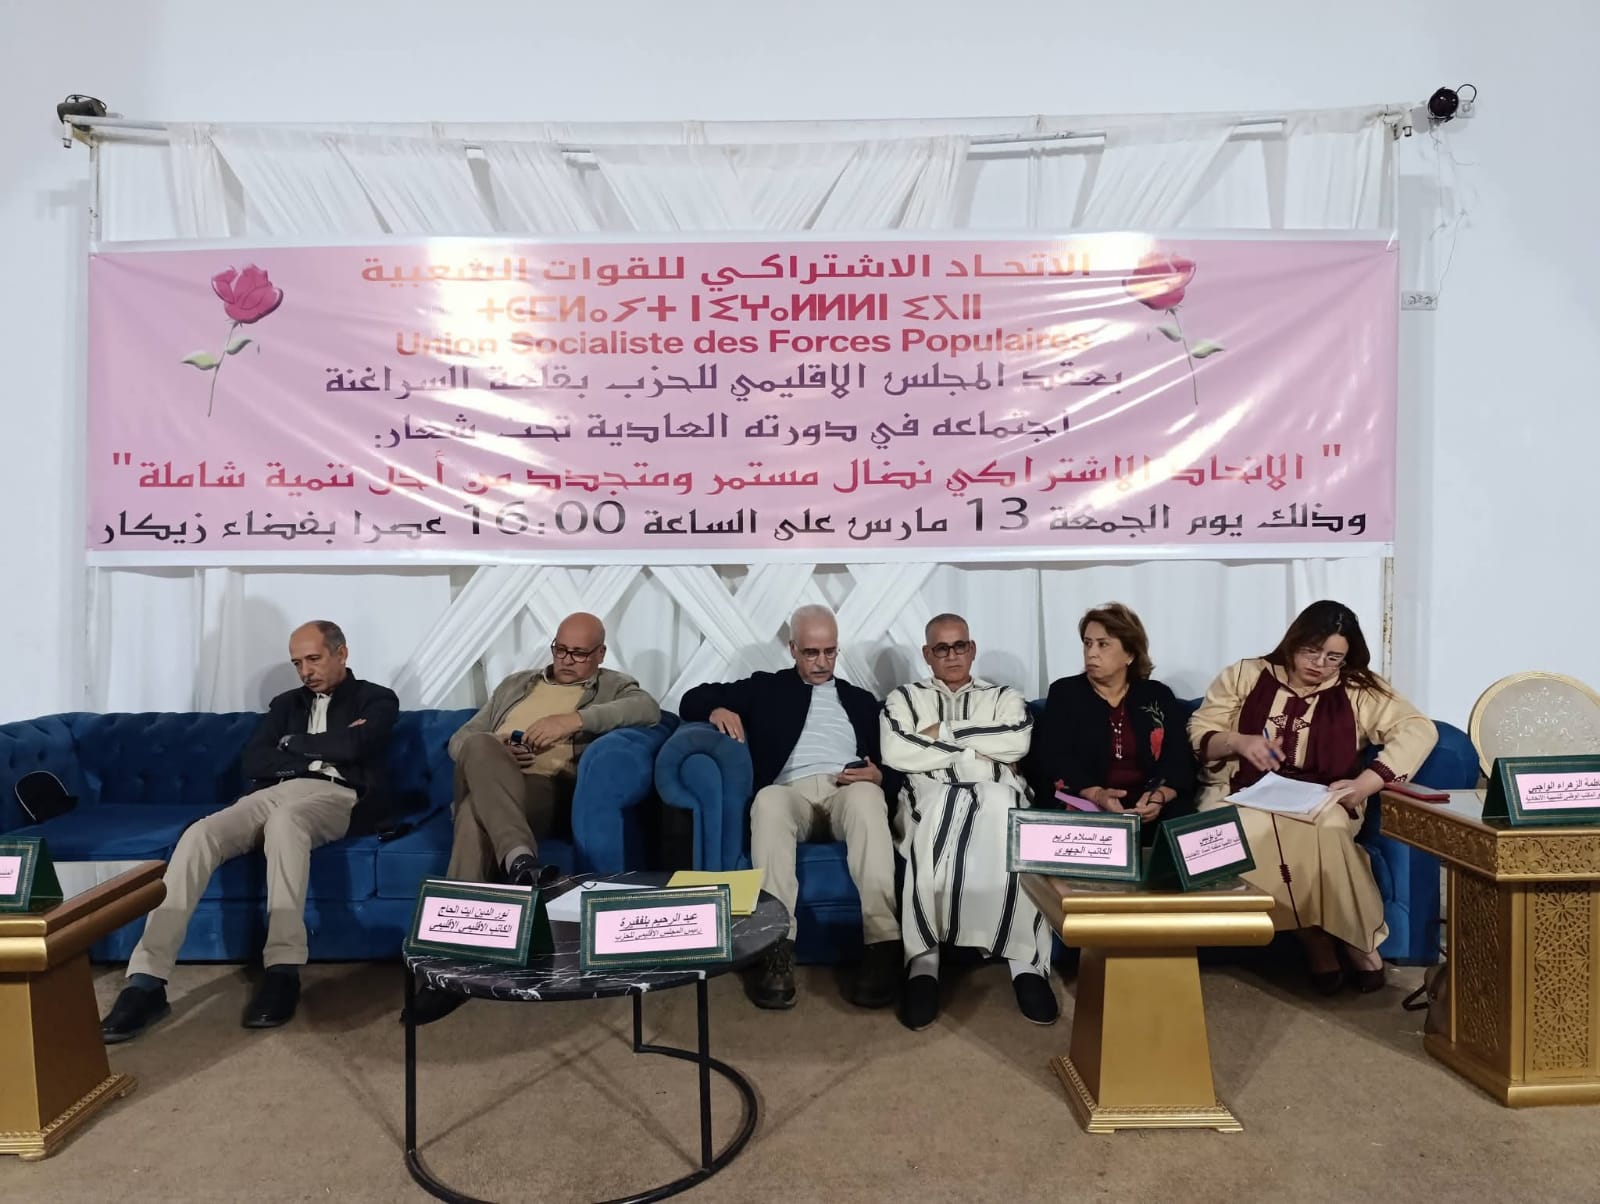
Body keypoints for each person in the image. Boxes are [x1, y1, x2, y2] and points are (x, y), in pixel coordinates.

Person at [100, 622, 398, 1042]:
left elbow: (355, 748)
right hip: (270, 792)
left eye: (314, 659)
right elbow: (256, 761)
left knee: (286, 823)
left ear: (341, 653)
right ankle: (146, 981)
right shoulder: (285, 704)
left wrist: (293, 743)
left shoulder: (376, 698)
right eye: (297, 663)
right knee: (200, 834)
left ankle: (282, 969)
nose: (306, 671)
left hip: (335, 795)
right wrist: (324, 746)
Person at [406, 611, 660, 1025]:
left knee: (472, 815)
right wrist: (500, 749)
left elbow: (647, 709)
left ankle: (451, 969)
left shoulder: (613, 685)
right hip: (492, 775)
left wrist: (572, 721)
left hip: (543, 791)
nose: (566, 660)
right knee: (480, 745)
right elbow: (460, 739)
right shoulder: (516, 684)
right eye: (560, 649)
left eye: (579, 653)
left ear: (600, 654)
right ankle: (521, 862)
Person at [1188, 600, 1437, 994]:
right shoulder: (1246, 675)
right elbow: (1201, 731)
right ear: (1293, 642)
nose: (1320, 664)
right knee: (1247, 829)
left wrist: (1365, 784)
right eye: (1311, 651)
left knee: (1329, 828)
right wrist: (1239, 741)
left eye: (1333, 657)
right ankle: (1315, 937)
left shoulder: (1358, 689)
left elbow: (1418, 730)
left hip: (1324, 797)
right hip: (1243, 792)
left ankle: (1355, 938)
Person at [679, 604, 900, 1011]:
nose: (822, 662)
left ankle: (883, 945)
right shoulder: (766, 687)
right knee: (767, 801)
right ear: (793, 648)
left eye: (830, 652)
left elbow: (893, 763)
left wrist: (879, 776)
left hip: (845, 790)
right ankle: (776, 948)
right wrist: (716, 709)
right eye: (811, 653)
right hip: (790, 793)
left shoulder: (861, 700)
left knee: (869, 798)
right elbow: (692, 698)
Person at [880, 613, 1056, 1031]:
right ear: (927, 654)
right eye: (942, 648)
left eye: (960, 646)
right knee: (941, 811)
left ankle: (1025, 963)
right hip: (931, 795)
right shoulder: (904, 698)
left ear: (972, 649)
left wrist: (941, 731)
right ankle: (924, 963)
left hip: (997, 792)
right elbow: (896, 750)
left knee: (1004, 811)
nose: (952, 655)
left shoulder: (1003, 696)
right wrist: (978, 748)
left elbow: (1016, 741)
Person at [1033, 603, 1196, 839]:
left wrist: (1159, 797)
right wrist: (1097, 794)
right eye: (1087, 643)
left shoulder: (1157, 695)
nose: (1091, 653)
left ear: (1129, 654)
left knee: (1185, 825)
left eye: (1103, 644)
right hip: (1088, 803)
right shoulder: (1065, 693)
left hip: (1150, 805)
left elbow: (1179, 758)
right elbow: (1054, 757)